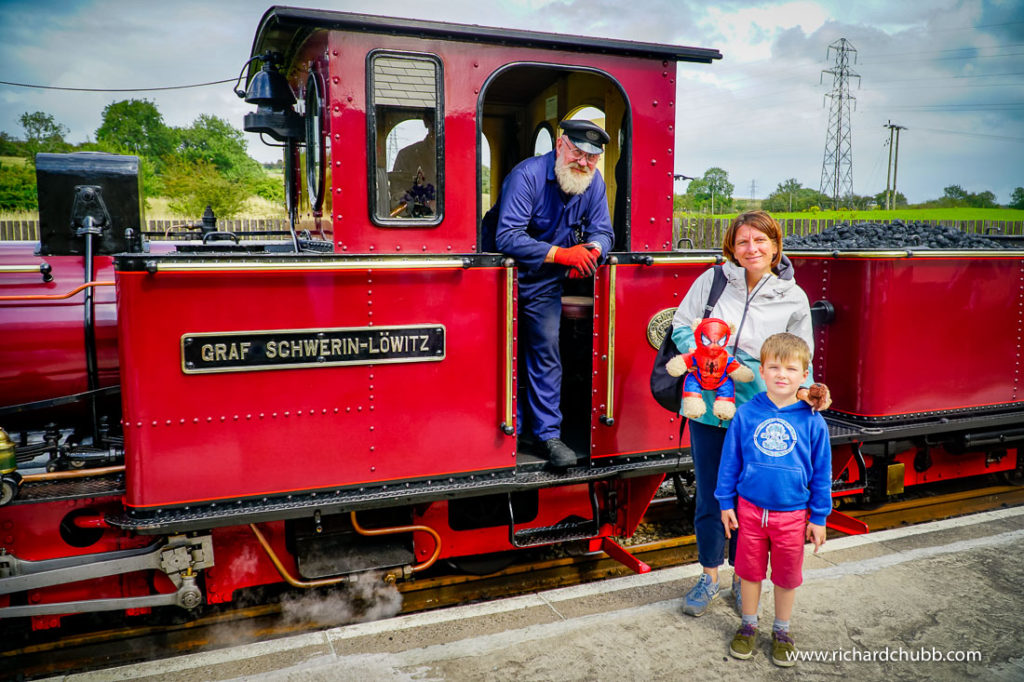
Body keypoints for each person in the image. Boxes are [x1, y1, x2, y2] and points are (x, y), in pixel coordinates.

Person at [670, 210, 830, 616]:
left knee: (749, 498)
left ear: (776, 247)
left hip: (761, 410)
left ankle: (745, 578)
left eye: (760, 241)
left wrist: (808, 392)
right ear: (732, 248)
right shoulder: (713, 281)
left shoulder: (793, 296)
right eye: (743, 242)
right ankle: (708, 576)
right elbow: (681, 325)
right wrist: (712, 355)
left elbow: (800, 357)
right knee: (710, 493)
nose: (751, 249)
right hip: (709, 405)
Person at [491, 119, 614, 469]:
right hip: (503, 277)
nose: (584, 162)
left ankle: (547, 435)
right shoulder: (526, 175)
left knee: (546, 348)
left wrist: (590, 251)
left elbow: (604, 232)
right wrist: (563, 255)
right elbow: (508, 236)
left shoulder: (593, 183)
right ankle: (507, 434)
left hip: (545, 279)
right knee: (502, 355)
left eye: (592, 157)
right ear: (560, 145)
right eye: (577, 152)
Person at [715, 333, 832, 666]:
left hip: (793, 516)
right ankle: (749, 625)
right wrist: (725, 502)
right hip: (750, 511)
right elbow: (730, 461)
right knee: (749, 573)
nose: (783, 374)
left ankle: (782, 630)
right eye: (775, 367)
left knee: (786, 577)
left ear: (804, 375)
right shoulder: (746, 414)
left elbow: (822, 472)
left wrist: (819, 516)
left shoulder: (813, 421)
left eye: (791, 369)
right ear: (762, 371)